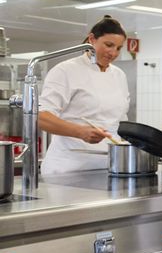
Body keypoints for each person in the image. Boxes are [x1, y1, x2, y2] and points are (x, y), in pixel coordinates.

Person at [38, 15, 129, 175]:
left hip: (108, 167)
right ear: (91, 39)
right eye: (109, 45)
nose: (113, 53)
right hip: (68, 169)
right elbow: (41, 117)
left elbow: (120, 122)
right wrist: (80, 132)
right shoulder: (65, 71)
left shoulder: (119, 75)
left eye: (118, 48)